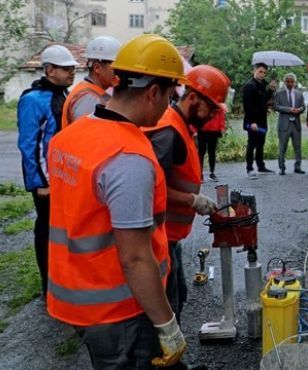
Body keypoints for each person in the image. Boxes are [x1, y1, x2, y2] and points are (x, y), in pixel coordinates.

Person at [46, 34, 189, 368]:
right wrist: (166, 323)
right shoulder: (128, 158)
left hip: (79, 300)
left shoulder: (71, 137)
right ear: (154, 92)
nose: (169, 106)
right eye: (169, 95)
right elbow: (136, 259)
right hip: (122, 311)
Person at [144, 65, 228, 324]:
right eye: (210, 109)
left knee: (178, 294)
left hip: (170, 237)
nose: (212, 116)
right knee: (167, 306)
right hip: (157, 238)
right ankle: (166, 360)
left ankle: (174, 359)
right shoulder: (169, 132)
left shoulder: (181, 127)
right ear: (193, 98)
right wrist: (193, 200)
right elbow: (148, 188)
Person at [17, 44, 77, 298]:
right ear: (50, 70)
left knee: (64, 234)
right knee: (46, 233)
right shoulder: (32, 100)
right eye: (66, 68)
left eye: (73, 68)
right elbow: (29, 145)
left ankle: (64, 283)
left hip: (65, 180)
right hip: (46, 183)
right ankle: (49, 289)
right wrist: (39, 182)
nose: (72, 72)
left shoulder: (64, 95)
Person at [61, 36, 122, 129]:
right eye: (115, 67)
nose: (119, 71)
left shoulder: (93, 92)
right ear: (97, 68)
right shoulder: (88, 98)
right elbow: (88, 137)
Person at [243, 63, 274, 179]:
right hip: (253, 120)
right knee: (252, 143)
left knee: (261, 143)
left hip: (262, 119)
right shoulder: (249, 85)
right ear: (254, 71)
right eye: (260, 71)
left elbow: (265, 100)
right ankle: (249, 168)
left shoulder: (263, 85)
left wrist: (270, 90)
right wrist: (252, 122)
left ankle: (261, 165)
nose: (262, 74)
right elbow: (247, 106)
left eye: (264, 72)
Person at [274, 72, 306, 175]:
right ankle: (282, 168)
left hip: (296, 124)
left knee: (298, 147)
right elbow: (276, 106)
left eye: (292, 82)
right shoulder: (279, 93)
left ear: (295, 83)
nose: (290, 84)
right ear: (284, 82)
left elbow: (303, 107)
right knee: (282, 147)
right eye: (288, 81)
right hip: (284, 125)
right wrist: (289, 109)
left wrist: (299, 110)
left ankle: (298, 167)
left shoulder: (299, 94)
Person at [198, 108, 225, 182]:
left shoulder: (218, 102)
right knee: (201, 153)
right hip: (202, 129)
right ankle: (199, 174)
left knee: (212, 152)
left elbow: (221, 113)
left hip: (214, 130)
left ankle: (212, 173)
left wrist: (222, 127)